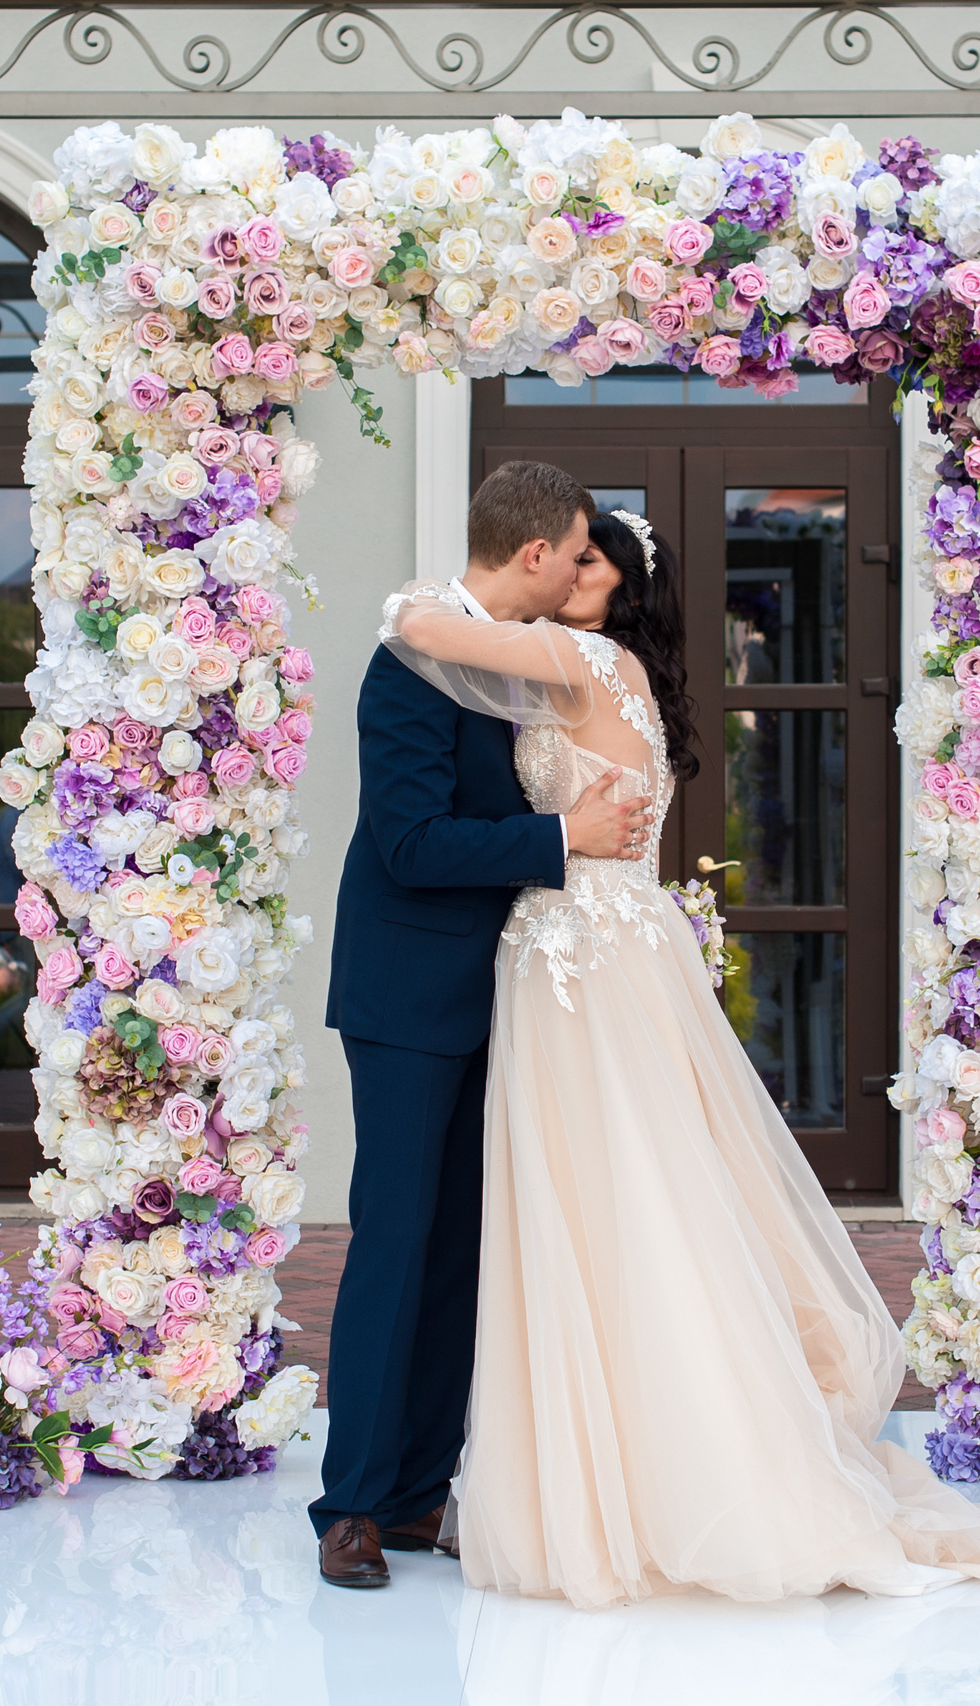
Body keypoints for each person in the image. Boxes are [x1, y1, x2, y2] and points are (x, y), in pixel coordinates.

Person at [372, 506, 980, 1609]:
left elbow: (429, 628)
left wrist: (424, 598)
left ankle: (632, 1480)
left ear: (617, 585)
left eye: (587, 560)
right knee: (627, 1198)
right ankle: (635, 1464)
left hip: (577, 952)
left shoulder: (579, 654)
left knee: (604, 1204)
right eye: (565, 554)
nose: (564, 573)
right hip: (605, 942)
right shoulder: (623, 673)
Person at [315, 462, 654, 1588]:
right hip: (410, 996)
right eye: (571, 550)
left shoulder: (514, 662)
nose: (576, 568)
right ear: (531, 556)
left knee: (466, 1249)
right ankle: (352, 1503)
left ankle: (418, 1490)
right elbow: (408, 842)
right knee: (396, 1241)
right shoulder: (409, 661)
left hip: (511, 992)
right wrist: (563, 841)